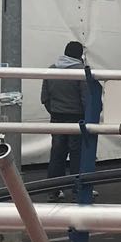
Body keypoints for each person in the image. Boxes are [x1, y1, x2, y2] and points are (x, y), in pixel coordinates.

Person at [41, 40, 87, 194]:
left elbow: (45, 98)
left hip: (56, 117)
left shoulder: (51, 70)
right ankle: (78, 190)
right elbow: (86, 99)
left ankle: (53, 190)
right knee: (77, 155)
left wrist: (54, 111)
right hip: (77, 119)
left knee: (57, 154)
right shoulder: (81, 71)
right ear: (80, 54)